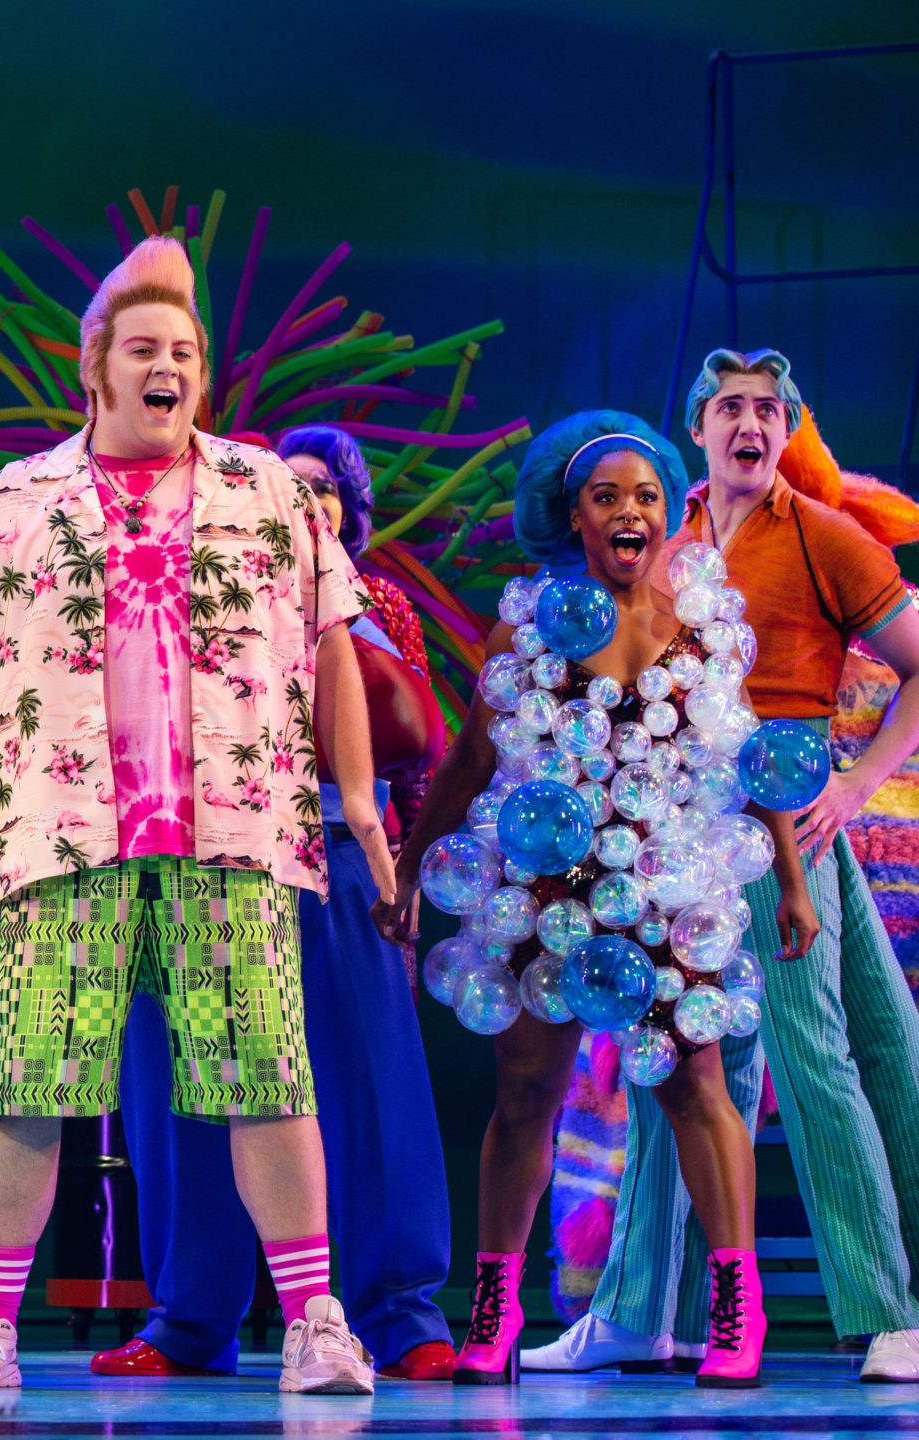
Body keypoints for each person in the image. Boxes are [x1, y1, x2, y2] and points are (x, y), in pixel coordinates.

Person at [0, 237, 393, 1396]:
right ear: (95, 368)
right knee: (24, 1079)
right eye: (144, 349)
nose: (168, 368)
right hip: (56, 832)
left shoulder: (269, 492)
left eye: (185, 353)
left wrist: (359, 795)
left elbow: (332, 644)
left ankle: (314, 1322)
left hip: (234, 834)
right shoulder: (13, 500)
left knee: (266, 1076)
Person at [527, 351, 919, 1385]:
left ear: (787, 431)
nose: (751, 424)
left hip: (780, 809)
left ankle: (885, 1311)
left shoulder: (824, 535)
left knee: (814, 1054)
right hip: (677, 815)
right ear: (698, 428)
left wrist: (855, 785)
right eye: (731, 407)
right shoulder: (669, 532)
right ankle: (640, 1311)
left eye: (769, 410)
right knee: (680, 1059)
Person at [381, 409, 788, 1388]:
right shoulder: (531, 632)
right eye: (607, 497)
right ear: (575, 515)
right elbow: (472, 759)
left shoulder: (700, 629)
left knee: (693, 1086)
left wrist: (794, 880)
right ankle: (494, 1308)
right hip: (548, 893)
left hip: (664, 889)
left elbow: (750, 757)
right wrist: (409, 864)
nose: (629, 511)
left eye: (646, 495)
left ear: (667, 513)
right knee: (525, 1095)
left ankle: (737, 1307)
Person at [96, 422, 458, 1383]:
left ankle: (399, 1314)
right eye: (289, 486)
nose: (307, 503)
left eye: (323, 490)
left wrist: (407, 866)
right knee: (183, 1088)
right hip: (189, 858)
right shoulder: (172, 576)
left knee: (371, 1082)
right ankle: (189, 1318)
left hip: (333, 855)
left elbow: (415, 746)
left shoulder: (375, 601)